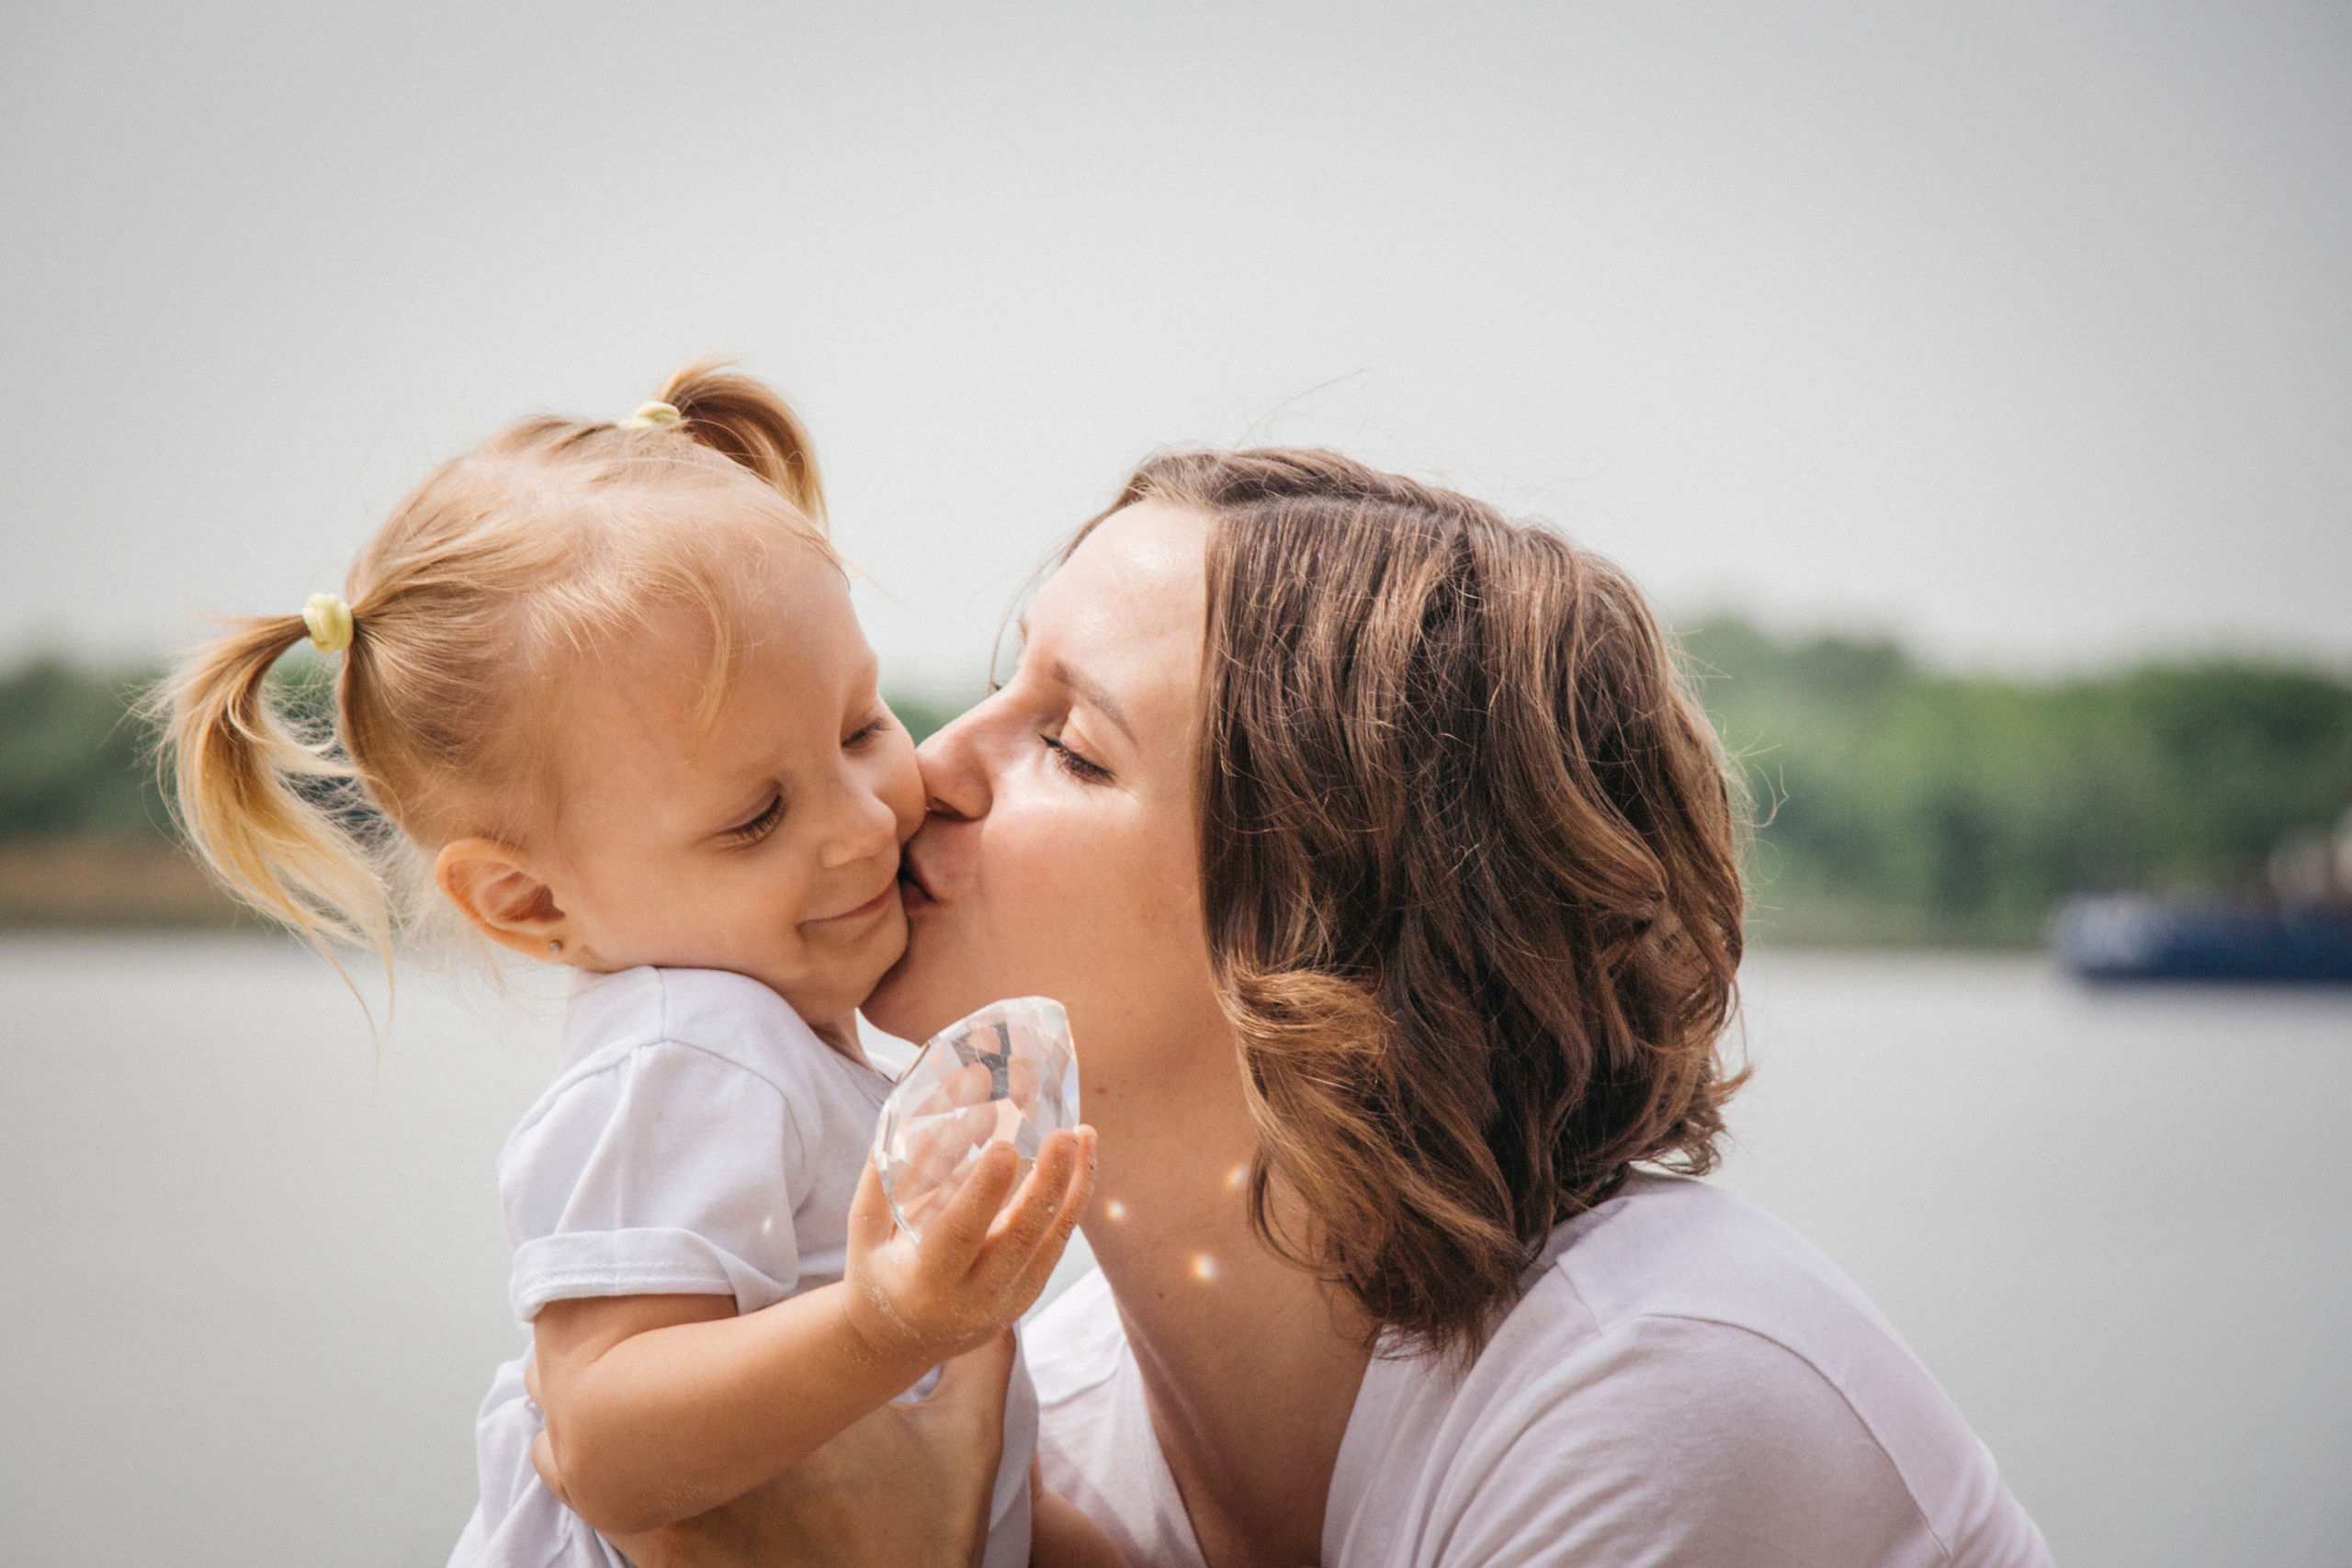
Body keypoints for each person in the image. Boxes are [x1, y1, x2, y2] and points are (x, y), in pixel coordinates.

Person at [616, 446, 2055, 1565]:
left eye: (1069, 741)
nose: (927, 767)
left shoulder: (1661, 1397)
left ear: (1323, 931)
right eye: (1000, 686)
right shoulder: (1045, 1412)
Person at [156, 365, 1102, 1568]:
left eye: (862, 726)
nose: (864, 822)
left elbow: (958, 1491)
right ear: (531, 898)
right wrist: (880, 1327)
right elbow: (602, 1440)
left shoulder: (771, 1041)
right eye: (756, 815)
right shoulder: (692, 1048)